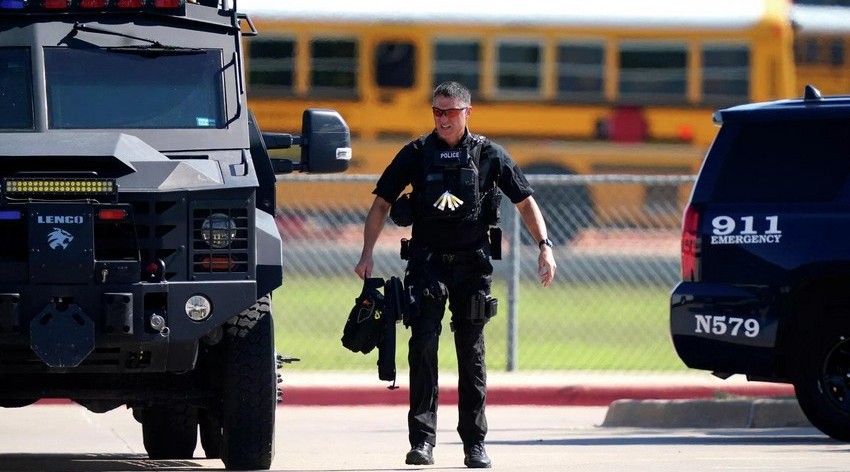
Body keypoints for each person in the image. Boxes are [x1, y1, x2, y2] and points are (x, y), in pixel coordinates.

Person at [354, 81, 556, 469]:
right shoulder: (416, 153)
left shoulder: (489, 154)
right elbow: (381, 204)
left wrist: (544, 246)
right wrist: (367, 253)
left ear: (467, 112)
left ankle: (474, 444)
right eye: (437, 112)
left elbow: (525, 201)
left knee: (472, 353)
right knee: (423, 347)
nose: (443, 119)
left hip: (472, 265)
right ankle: (422, 441)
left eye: (450, 111)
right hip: (427, 264)